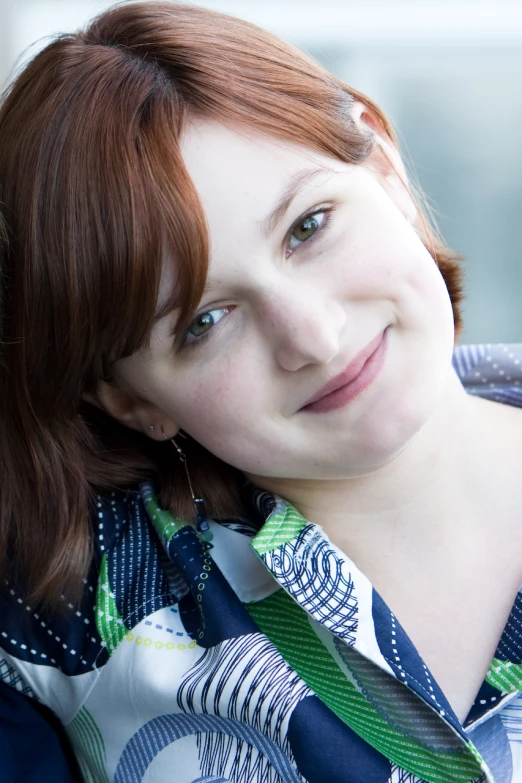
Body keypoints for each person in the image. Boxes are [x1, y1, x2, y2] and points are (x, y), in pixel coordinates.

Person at [0, 2, 521, 781]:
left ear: (383, 166)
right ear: (125, 397)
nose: (311, 335)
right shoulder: (63, 617)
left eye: (309, 226)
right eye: (204, 321)